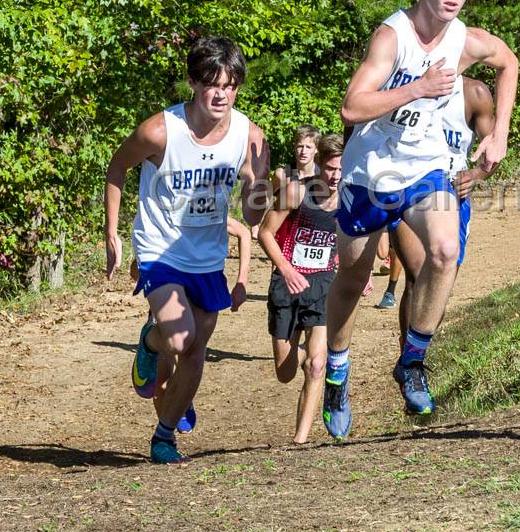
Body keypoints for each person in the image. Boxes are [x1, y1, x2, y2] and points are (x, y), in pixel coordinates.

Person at [322, 0, 519, 439]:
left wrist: (499, 133)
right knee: (351, 276)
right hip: (371, 173)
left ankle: (412, 360)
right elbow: (351, 107)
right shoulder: (393, 37)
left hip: (425, 168)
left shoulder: (465, 38)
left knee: (445, 249)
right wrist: (417, 88)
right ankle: (337, 372)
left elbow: (509, 62)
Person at [104, 36, 270, 463]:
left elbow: (253, 219)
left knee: (196, 353)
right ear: (193, 82)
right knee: (180, 339)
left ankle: (163, 437)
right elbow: (118, 165)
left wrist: (258, 189)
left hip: (208, 256)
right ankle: (153, 339)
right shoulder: (161, 131)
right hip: (160, 249)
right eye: (213, 83)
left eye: (231, 85)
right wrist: (113, 232)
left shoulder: (250, 137)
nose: (222, 94)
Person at [391, 77, 497, 344]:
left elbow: (493, 149)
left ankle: (417, 353)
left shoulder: (475, 94)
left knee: (440, 282)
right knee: (417, 275)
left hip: (452, 197)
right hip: (410, 189)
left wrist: (476, 175)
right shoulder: (407, 82)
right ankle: (409, 364)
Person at [128, 214, 251, 436]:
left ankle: (180, 399)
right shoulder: (157, 216)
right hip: (164, 309)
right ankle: (166, 435)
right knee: (161, 377)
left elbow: (243, 232)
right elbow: (135, 270)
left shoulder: (205, 214)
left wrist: (241, 281)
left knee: (189, 357)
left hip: (199, 296)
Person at [257, 134, 344, 444]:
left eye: (341, 169)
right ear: (319, 165)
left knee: (316, 365)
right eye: (331, 169)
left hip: (324, 282)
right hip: (288, 281)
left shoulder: (349, 198)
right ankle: (301, 350)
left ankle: (300, 441)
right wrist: (286, 268)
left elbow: (355, 238)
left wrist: (357, 274)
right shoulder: (295, 192)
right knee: (285, 372)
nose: (336, 176)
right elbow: (266, 233)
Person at [254, 125, 321, 240]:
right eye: (300, 146)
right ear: (294, 147)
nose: (303, 151)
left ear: (316, 150)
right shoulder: (283, 175)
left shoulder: (322, 175)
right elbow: (266, 196)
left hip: (311, 229)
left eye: (308, 147)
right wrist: (255, 224)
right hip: (284, 226)